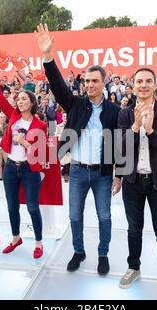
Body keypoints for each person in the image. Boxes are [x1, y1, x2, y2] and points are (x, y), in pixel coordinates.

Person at [36, 23, 122, 274]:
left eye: (95, 80)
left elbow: (121, 142)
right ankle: (78, 251)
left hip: (104, 174)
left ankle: (103, 254)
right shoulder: (75, 105)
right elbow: (57, 84)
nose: (90, 84)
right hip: (77, 172)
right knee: (74, 217)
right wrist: (47, 56)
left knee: (104, 217)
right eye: (86, 81)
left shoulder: (116, 112)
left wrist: (120, 175)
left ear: (104, 82)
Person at [117, 67, 157, 299]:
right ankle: (134, 267)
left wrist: (151, 131)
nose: (143, 85)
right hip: (132, 182)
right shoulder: (124, 114)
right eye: (139, 81)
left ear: (155, 85)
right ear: (133, 86)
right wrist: (135, 127)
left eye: (148, 81)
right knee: (134, 229)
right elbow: (120, 150)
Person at [0, 50, 48, 259]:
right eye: (18, 99)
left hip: (30, 169)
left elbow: (39, 151)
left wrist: (26, 143)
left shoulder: (40, 124)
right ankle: (15, 238)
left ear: (31, 102)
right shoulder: (12, 115)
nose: (19, 101)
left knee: (32, 206)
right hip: (11, 167)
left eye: (23, 99)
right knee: (12, 206)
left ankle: (38, 242)